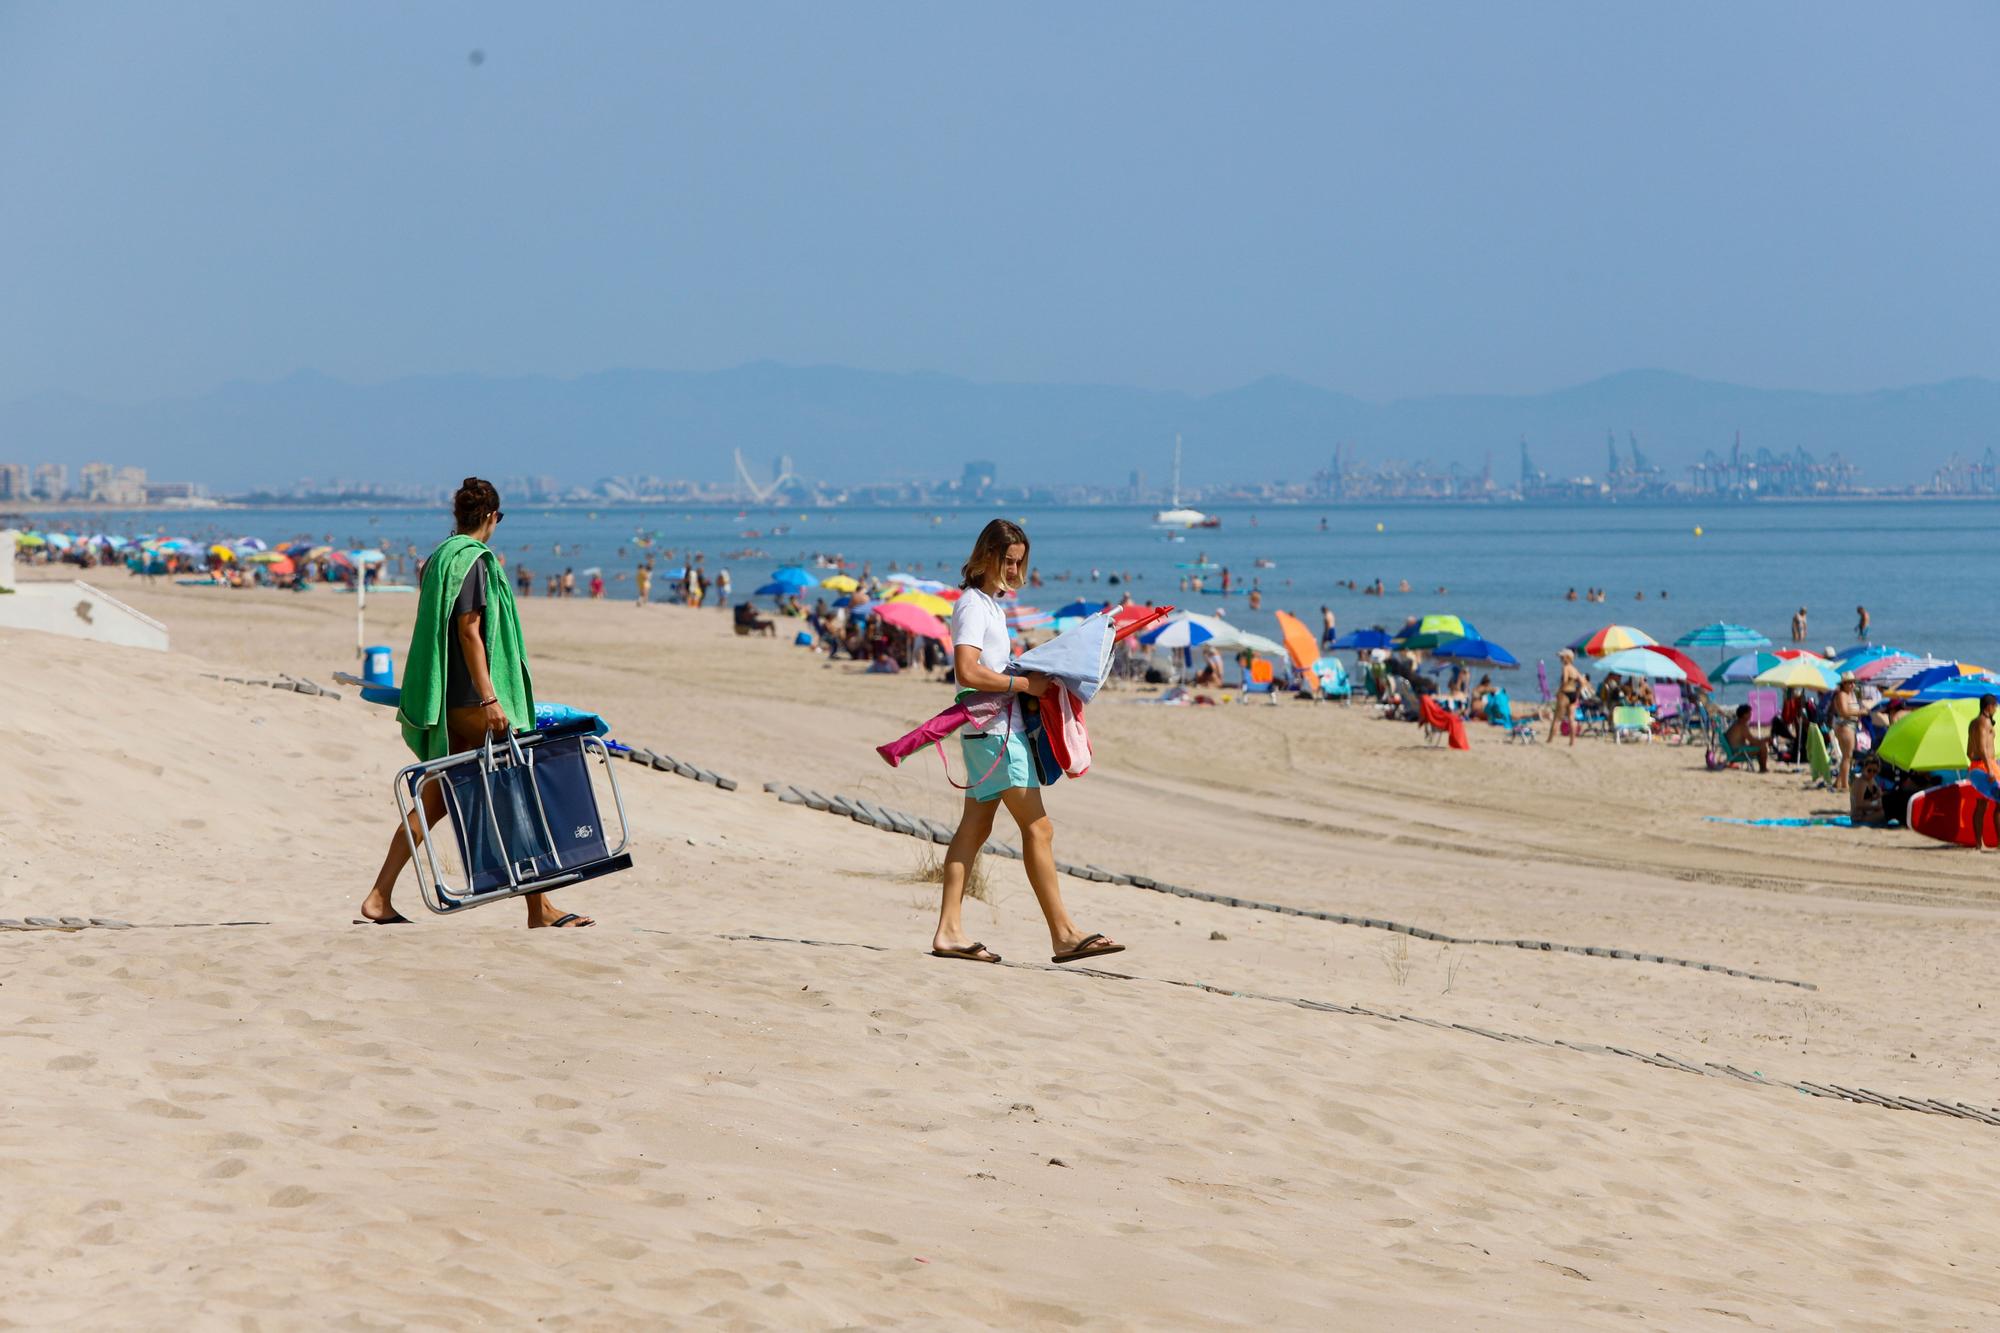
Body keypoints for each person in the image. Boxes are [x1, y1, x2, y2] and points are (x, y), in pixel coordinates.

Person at [358, 478, 593, 929]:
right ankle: (539, 910)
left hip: (446, 695)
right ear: (490, 517)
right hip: (471, 698)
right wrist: (490, 697)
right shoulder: (473, 561)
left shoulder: (439, 558)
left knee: (435, 800)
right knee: (516, 792)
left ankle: (378, 895)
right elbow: (469, 630)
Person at [930, 518, 1122, 968]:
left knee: (974, 830)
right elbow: (968, 672)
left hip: (990, 730)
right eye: (1007, 561)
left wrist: (1027, 674)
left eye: (1019, 562)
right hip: (995, 731)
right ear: (986, 557)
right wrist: (1023, 686)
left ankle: (948, 931)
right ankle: (1064, 934)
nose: (1014, 571)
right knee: (1039, 828)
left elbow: (985, 669)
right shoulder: (974, 605)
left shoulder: (990, 605)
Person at [1830, 675, 1863, 790]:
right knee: (1847, 756)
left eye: (1853, 682)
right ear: (1843, 684)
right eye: (1849, 683)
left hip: (1850, 725)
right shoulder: (1842, 695)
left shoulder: (1851, 694)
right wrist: (1860, 712)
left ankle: (1838, 782)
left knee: (1847, 756)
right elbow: (1844, 712)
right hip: (1845, 726)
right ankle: (1845, 784)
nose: (1852, 685)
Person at [1548, 648, 1585, 746]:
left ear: (1567, 658)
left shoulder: (1566, 668)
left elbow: (1564, 681)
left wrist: (1558, 691)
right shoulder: (1574, 669)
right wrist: (1577, 694)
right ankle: (1572, 741)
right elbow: (1582, 682)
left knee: (1557, 718)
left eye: (1562, 657)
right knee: (1571, 719)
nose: (1560, 658)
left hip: (1565, 694)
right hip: (1573, 694)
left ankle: (1550, 740)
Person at [1725, 704, 1772, 773]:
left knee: (1761, 744)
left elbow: (1751, 740)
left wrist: (1762, 740)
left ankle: (1763, 768)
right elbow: (1753, 741)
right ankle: (1763, 769)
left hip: (1736, 750)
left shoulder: (1737, 723)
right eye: (1749, 713)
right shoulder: (1742, 725)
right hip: (1739, 752)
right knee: (1762, 747)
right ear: (1744, 715)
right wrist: (1765, 740)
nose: (1750, 715)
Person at [1969, 695, 2000, 786]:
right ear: (1989, 706)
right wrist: (1990, 770)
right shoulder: (1984, 721)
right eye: (1995, 707)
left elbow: (1969, 751)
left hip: (1976, 765)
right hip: (1986, 765)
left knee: (1984, 798)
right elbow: (1981, 748)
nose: (1996, 710)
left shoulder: (1973, 723)